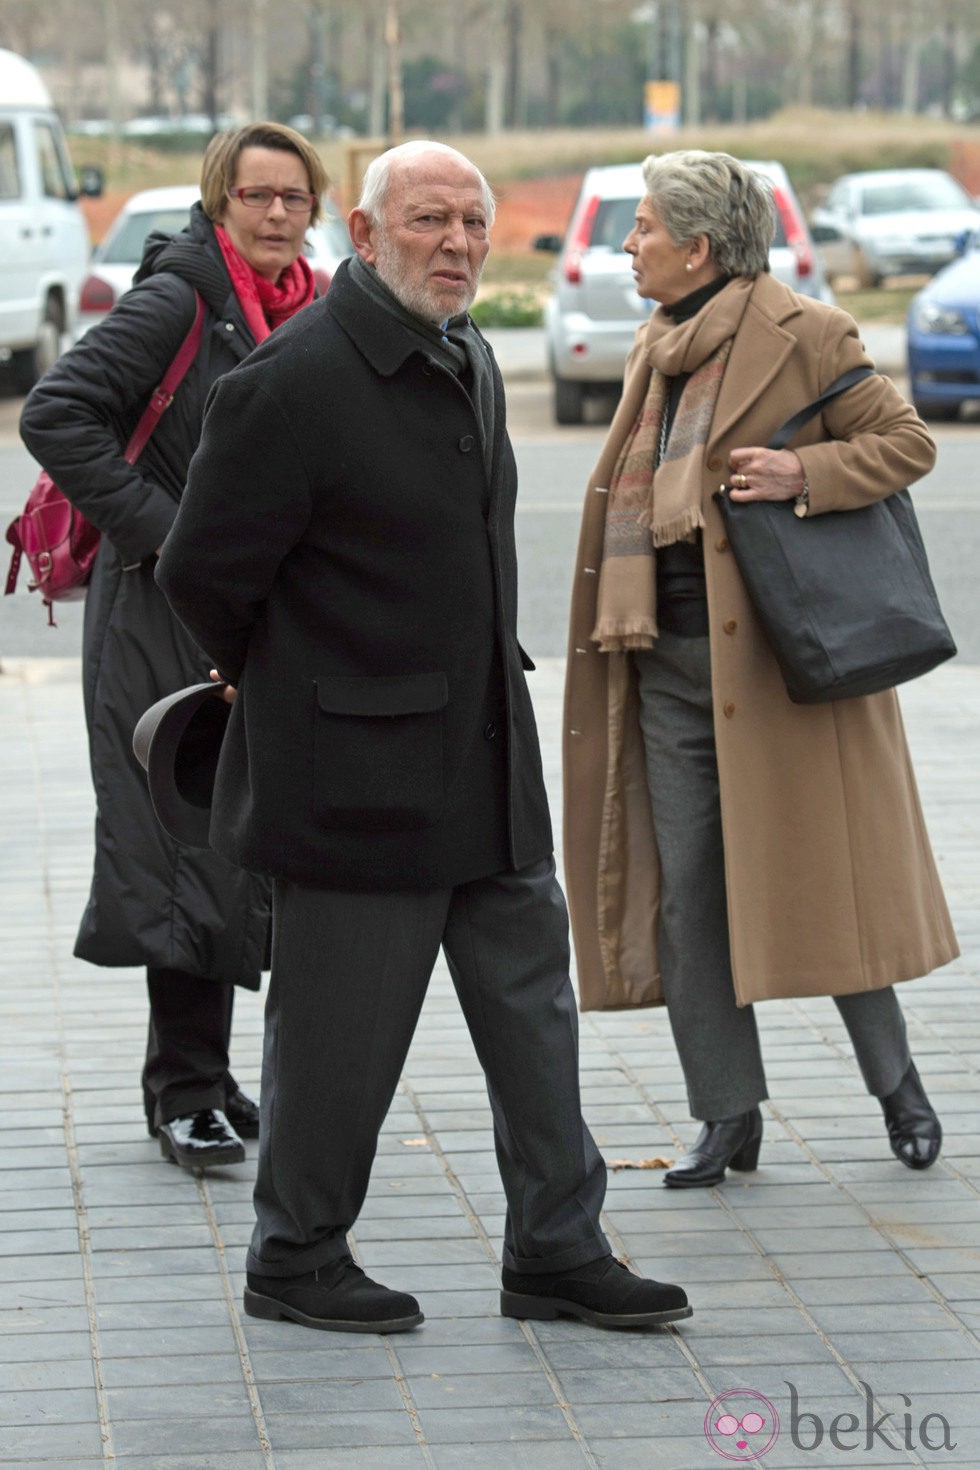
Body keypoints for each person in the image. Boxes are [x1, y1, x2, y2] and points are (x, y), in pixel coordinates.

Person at [154, 139, 692, 1335]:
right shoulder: (291, 382)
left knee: (532, 1020)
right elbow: (204, 574)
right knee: (340, 1046)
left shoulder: (469, 353)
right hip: (351, 782)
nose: (454, 244)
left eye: (471, 224)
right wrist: (284, 682)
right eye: (428, 221)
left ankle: (555, 1246)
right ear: (364, 228)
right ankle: (294, 1257)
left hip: (487, 767)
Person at [563, 150, 958, 1189]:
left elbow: (905, 443)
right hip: (662, 659)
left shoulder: (805, 332)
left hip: (786, 663)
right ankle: (725, 1117)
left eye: (642, 227)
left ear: (696, 246)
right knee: (689, 898)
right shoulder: (655, 347)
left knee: (825, 883)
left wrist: (804, 473)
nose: (626, 245)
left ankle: (896, 1085)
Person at [19, 122, 329, 1172]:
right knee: (185, 838)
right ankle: (183, 1089)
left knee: (239, 842)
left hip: (250, 616)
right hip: (159, 611)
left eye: (295, 197)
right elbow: (58, 413)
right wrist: (168, 535)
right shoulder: (179, 298)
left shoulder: (311, 303)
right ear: (217, 203)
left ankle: (208, 1072)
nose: (278, 215)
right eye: (257, 197)